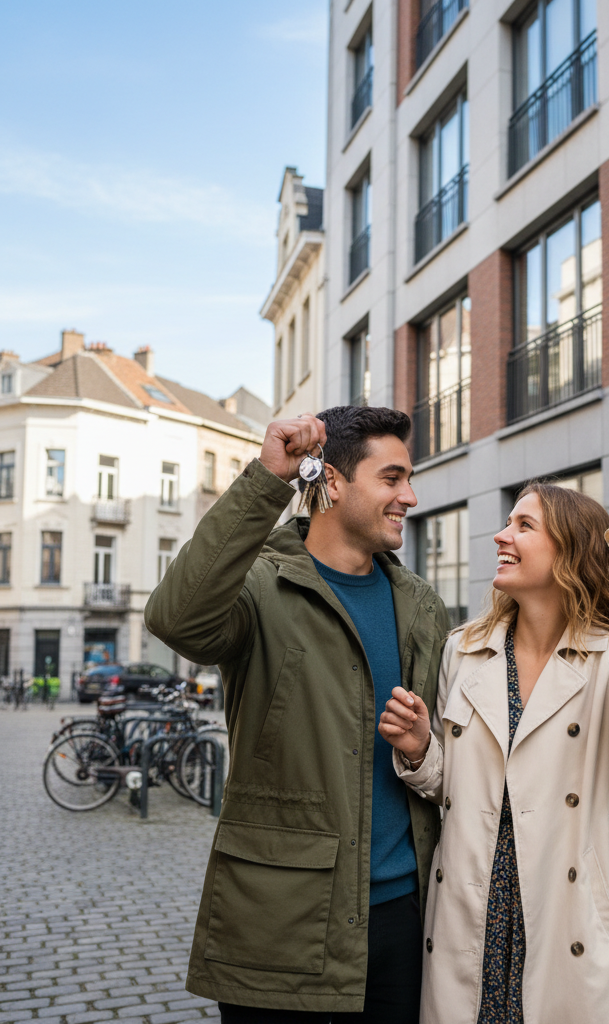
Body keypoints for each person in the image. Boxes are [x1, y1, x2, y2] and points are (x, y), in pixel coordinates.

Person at [145, 407, 450, 1023]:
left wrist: (421, 749)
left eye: (408, 479)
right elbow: (175, 620)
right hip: (281, 924)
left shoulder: (421, 604)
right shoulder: (259, 586)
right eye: (392, 479)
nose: (409, 497)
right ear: (333, 482)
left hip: (406, 921)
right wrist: (267, 479)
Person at [379, 477, 609, 1024]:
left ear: (569, 550)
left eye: (524, 525)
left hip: (567, 910)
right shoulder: (465, 649)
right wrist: (419, 749)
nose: (502, 536)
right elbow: (452, 788)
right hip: (473, 907)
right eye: (508, 522)